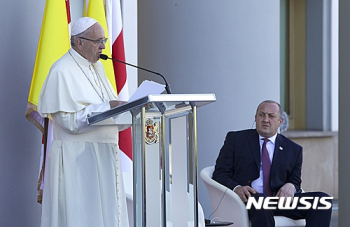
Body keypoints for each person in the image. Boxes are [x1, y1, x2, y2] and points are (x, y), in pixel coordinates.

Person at [38, 17, 129, 227]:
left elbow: (110, 107)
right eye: (98, 41)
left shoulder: (96, 68)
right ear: (80, 42)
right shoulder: (61, 71)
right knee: (82, 216)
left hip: (104, 154)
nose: (103, 46)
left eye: (104, 40)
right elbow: (68, 121)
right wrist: (108, 107)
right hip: (77, 158)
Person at [212, 100, 332, 227]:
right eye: (261, 115)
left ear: (280, 121)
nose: (265, 119)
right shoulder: (236, 140)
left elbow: (295, 181)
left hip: (279, 202)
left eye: (271, 116)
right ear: (255, 117)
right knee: (260, 200)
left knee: (322, 200)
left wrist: (290, 185)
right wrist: (237, 188)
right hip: (248, 200)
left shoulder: (293, 149)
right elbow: (220, 174)